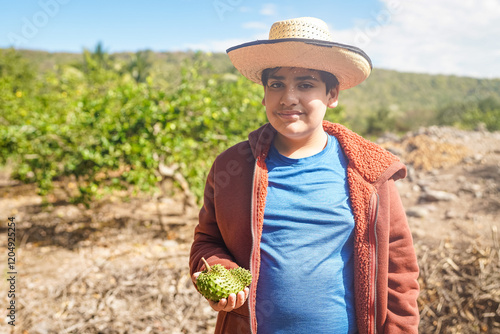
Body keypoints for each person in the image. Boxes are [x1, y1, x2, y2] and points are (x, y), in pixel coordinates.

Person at [189, 17, 419, 334]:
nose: (289, 97)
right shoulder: (234, 167)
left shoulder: (370, 173)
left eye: (306, 85)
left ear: (332, 94)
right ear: (263, 94)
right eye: (276, 84)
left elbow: (399, 272)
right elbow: (207, 242)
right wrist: (220, 274)